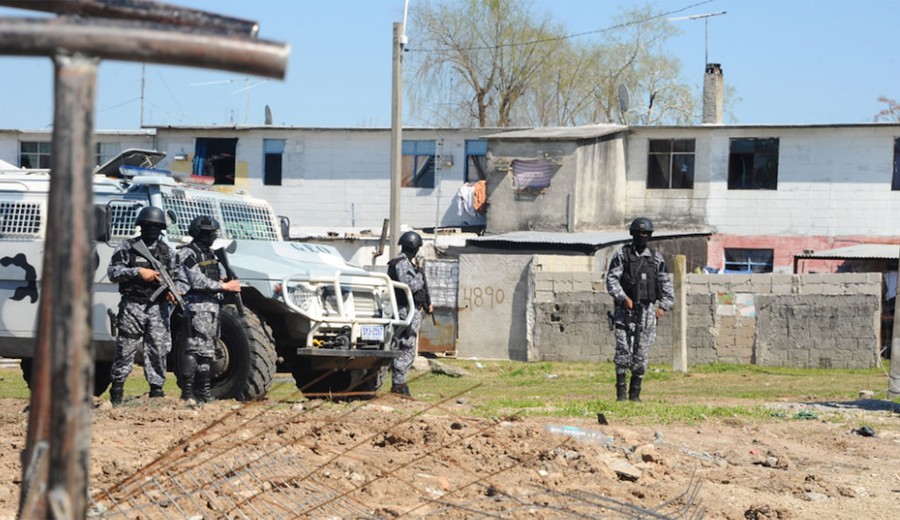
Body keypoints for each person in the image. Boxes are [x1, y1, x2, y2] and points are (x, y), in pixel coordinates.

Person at [107, 206, 177, 405]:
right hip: (132, 306)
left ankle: (156, 392)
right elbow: (113, 272)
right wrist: (138, 271)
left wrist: (174, 291)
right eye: (148, 226)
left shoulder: (168, 253)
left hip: (158, 308)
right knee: (125, 349)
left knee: (158, 350)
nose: (152, 230)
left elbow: (180, 277)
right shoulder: (127, 248)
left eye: (156, 226)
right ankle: (117, 392)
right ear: (141, 226)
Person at [605, 217, 675, 402]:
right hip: (625, 311)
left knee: (642, 354)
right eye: (639, 233)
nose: (643, 236)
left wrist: (663, 308)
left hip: (647, 313)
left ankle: (634, 395)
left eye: (646, 234)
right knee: (623, 352)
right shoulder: (622, 255)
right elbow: (611, 280)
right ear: (633, 234)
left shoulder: (656, 258)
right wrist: (624, 298)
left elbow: (666, 284)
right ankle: (621, 395)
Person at [175, 215, 241, 405]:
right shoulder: (187, 253)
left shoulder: (211, 255)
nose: (213, 236)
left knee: (206, 351)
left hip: (212, 308)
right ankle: (187, 392)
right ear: (200, 233)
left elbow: (211, 278)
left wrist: (223, 283)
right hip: (196, 307)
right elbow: (196, 281)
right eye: (209, 233)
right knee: (193, 349)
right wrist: (225, 287)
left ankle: (203, 391)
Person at [387, 231, 433, 397]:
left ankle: (399, 383)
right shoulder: (402, 263)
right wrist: (420, 274)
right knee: (407, 346)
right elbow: (410, 285)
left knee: (406, 345)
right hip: (404, 310)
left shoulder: (405, 262)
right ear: (414, 247)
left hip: (408, 308)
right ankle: (398, 384)